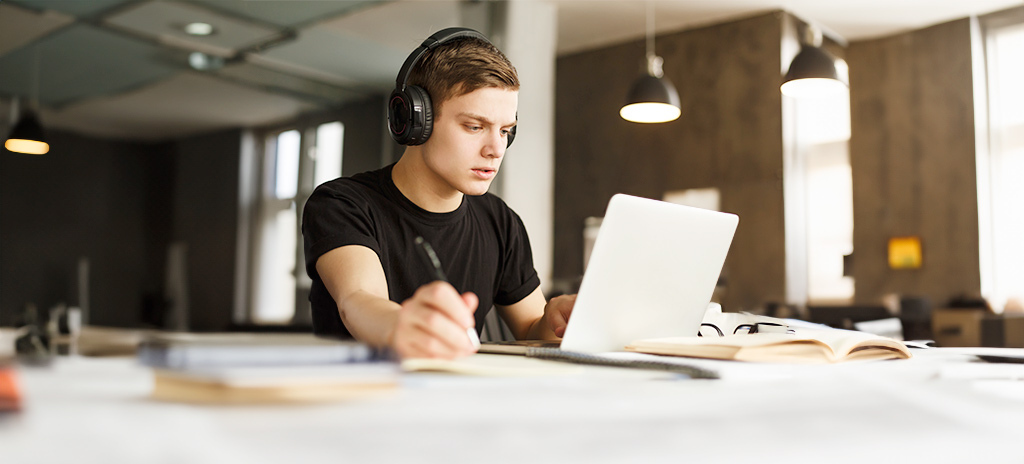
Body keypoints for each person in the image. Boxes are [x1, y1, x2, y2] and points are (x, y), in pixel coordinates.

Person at [302, 28, 575, 359]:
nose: (496, 149)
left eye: (505, 131)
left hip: (452, 406)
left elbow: (531, 330)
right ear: (417, 121)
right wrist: (403, 325)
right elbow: (357, 301)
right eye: (475, 127)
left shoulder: (500, 221)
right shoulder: (343, 204)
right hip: (354, 402)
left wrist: (555, 320)